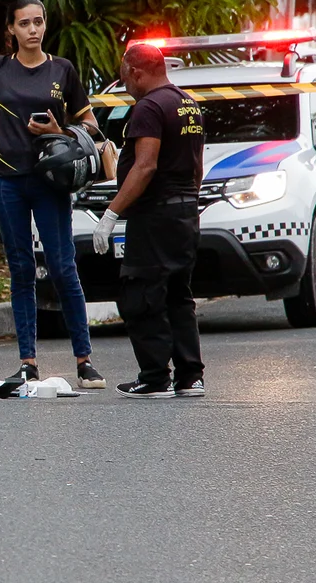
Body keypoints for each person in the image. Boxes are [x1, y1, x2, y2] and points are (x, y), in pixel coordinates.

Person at [0, 0, 105, 389]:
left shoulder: (62, 69)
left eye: (38, 22)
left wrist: (57, 133)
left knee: (64, 267)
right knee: (21, 270)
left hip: (51, 181)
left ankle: (84, 361)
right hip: (7, 181)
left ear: (45, 25)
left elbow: (92, 127)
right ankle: (28, 362)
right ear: (11, 30)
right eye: (24, 23)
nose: (32, 29)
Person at [92, 44, 206, 399]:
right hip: (185, 211)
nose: (125, 84)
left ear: (138, 72)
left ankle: (155, 377)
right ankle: (190, 377)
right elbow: (197, 165)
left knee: (141, 292)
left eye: (125, 77)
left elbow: (145, 165)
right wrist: (187, 202)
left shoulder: (149, 107)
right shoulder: (188, 104)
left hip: (156, 214)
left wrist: (111, 214)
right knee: (178, 293)